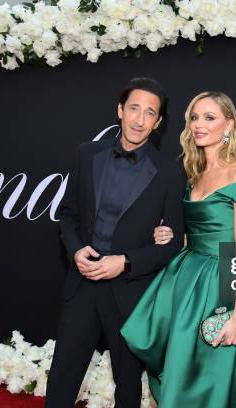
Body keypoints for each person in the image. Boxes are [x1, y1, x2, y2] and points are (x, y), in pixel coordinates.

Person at [121, 91, 236, 408]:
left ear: (229, 124)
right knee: (184, 372)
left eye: (209, 117)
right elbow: (193, 235)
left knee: (214, 378)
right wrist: (169, 235)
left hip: (222, 285)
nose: (198, 125)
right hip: (186, 280)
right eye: (194, 117)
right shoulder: (194, 172)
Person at [45, 78, 186, 408]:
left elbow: (171, 245)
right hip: (82, 283)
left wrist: (124, 261)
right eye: (134, 109)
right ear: (120, 110)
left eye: (150, 113)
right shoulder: (86, 154)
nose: (139, 120)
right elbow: (67, 215)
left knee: (127, 385)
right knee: (63, 374)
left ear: (159, 122)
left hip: (130, 291)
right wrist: (77, 249)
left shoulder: (170, 173)